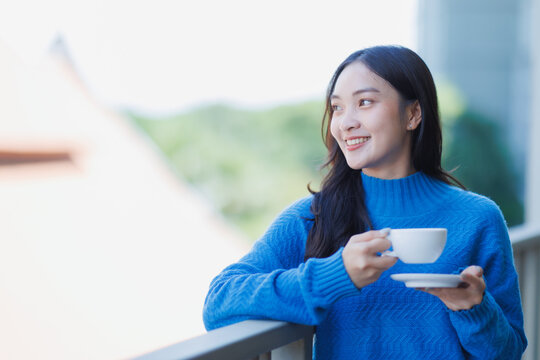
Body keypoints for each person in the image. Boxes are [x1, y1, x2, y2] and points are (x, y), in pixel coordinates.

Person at [202, 45, 527, 359]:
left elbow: (509, 352)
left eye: (365, 102)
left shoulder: (478, 218)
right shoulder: (311, 218)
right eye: (338, 108)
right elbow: (218, 304)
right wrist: (335, 275)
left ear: (413, 114)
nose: (346, 123)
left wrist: (472, 306)